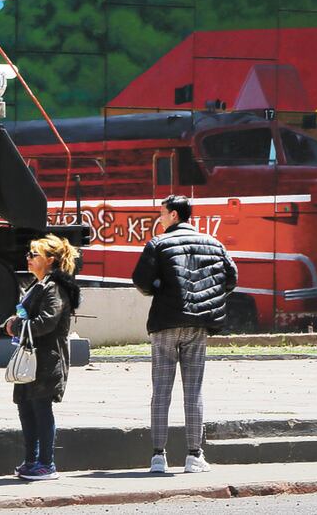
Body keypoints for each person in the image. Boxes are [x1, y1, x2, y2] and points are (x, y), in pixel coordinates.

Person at [131, 194, 237, 474]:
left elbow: (140, 280)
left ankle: (158, 456)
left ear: (174, 215)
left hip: (165, 323)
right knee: (194, 390)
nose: (160, 218)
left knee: (161, 391)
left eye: (163, 213)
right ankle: (194, 455)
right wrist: (209, 297)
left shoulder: (158, 243)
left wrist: (161, 291)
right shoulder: (215, 243)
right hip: (198, 325)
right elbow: (231, 278)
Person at [3, 234, 81, 481]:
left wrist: (15, 326)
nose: (28, 258)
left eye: (33, 254)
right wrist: (15, 323)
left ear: (50, 260)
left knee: (41, 409)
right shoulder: (39, 285)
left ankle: (46, 464)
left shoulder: (55, 288)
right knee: (25, 407)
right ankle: (30, 460)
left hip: (46, 360)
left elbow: (46, 323)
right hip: (31, 358)